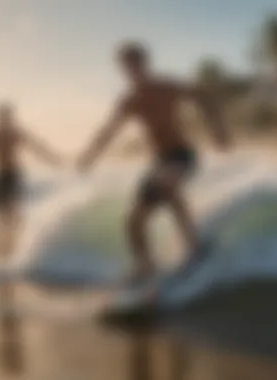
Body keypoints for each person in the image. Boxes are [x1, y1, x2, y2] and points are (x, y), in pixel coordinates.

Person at [77, 42, 232, 281]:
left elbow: (204, 97)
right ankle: (146, 267)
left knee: (167, 182)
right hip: (159, 161)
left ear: (146, 63)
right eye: (127, 67)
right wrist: (89, 155)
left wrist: (218, 130)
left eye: (136, 64)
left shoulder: (166, 87)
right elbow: (109, 130)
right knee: (133, 221)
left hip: (182, 154)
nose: (132, 71)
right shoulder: (129, 101)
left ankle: (195, 247)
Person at [0, 102, 62, 368]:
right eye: (0, 116)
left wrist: (53, 159)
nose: (3, 119)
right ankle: (1, 250)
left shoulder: (16, 132)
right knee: (1, 217)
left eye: (6, 116)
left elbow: (36, 146)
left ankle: (13, 248)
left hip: (13, 174)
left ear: (10, 117)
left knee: (14, 215)